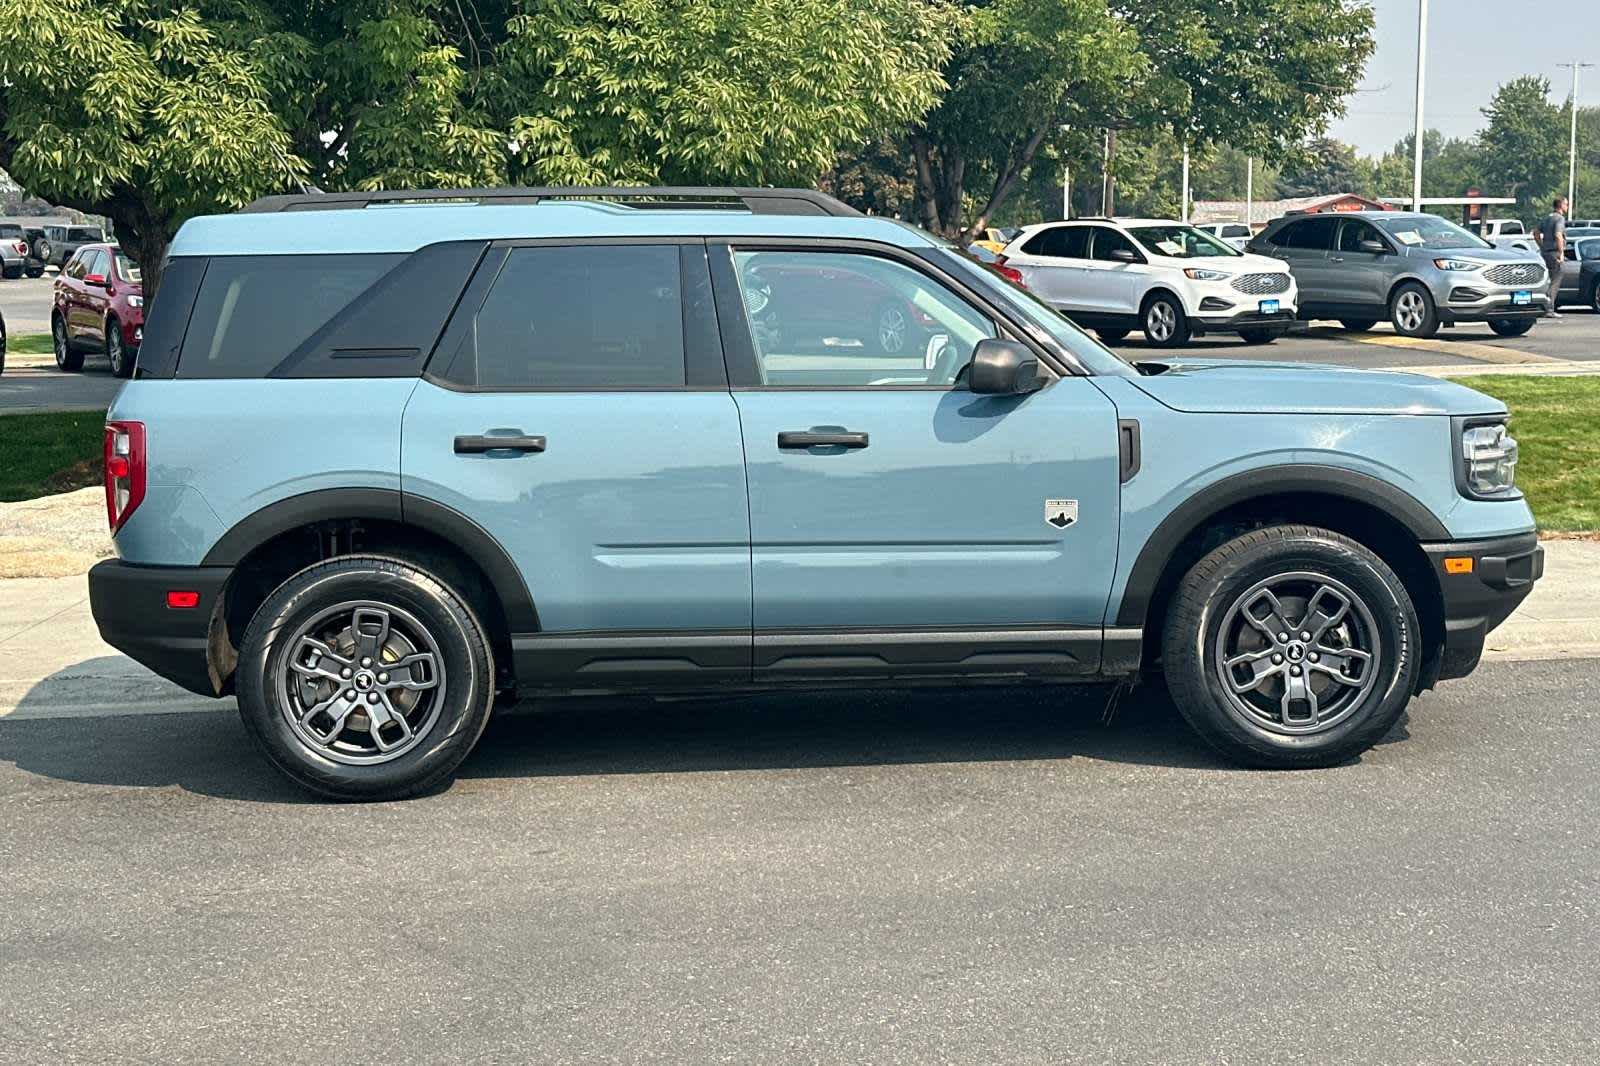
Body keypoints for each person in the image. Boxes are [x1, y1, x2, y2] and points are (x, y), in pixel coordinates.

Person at [1538, 196, 1567, 317]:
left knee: (1547, 280)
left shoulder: (1547, 218)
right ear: (1560, 205)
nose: (1567, 207)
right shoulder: (1559, 218)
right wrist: (1561, 253)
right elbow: (1558, 235)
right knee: (1555, 281)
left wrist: (1542, 246)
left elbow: (1535, 232)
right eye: (1566, 204)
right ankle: (1549, 309)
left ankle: (1543, 306)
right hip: (1554, 253)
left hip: (1545, 253)